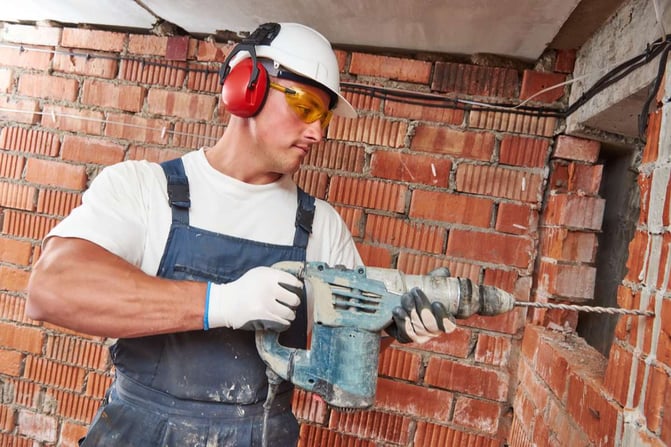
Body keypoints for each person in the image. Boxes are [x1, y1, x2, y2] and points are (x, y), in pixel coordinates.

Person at [26, 22, 455, 446]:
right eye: (305, 107)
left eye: (323, 116)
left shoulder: (320, 225)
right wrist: (221, 302)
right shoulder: (144, 188)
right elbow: (53, 290)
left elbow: (334, 363)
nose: (318, 132)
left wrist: (390, 329)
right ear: (245, 87)